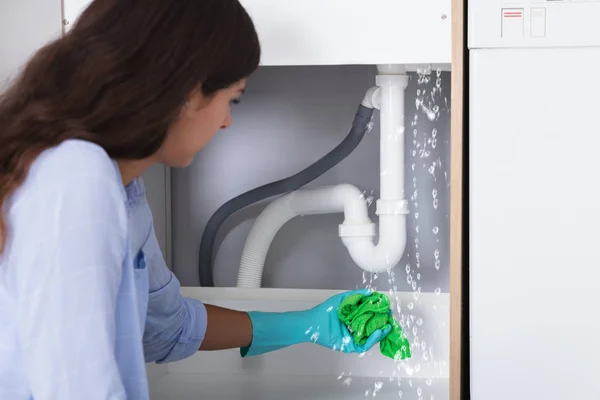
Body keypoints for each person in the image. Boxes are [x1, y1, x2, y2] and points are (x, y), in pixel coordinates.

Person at [0, 0, 392, 398]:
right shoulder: (76, 175)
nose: (226, 120)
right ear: (185, 91)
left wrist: (307, 324)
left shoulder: (123, 189)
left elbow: (164, 329)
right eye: (232, 98)